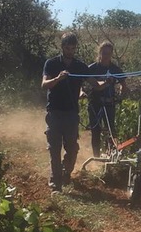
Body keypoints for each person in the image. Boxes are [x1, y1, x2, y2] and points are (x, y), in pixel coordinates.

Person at [42, 32, 99, 193]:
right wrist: (58, 78)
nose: (70, 51)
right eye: (68, 48)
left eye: (73, 48)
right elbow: (44, 84)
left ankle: (65, 172)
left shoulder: (80, 66)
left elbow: (95, 84)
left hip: (72, 114)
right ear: (62, 47)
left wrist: (108, 82)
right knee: (54, 149)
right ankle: (55, 183)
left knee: (72, 149)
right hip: (54, 112)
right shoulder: (51, 63)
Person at [86, 41, 126, 157]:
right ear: (100, 53)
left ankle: (112, 154)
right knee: (95, 131)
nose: (106, 56)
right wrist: (81, 92)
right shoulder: (92, 68)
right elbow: (80, 81)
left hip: (109, 103)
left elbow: (123, 84)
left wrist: (120, 95)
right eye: (104, 53)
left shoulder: (115, 69)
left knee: (111, 130)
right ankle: (96, 156)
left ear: (111, 54)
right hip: (95, 103)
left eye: (108, 54)